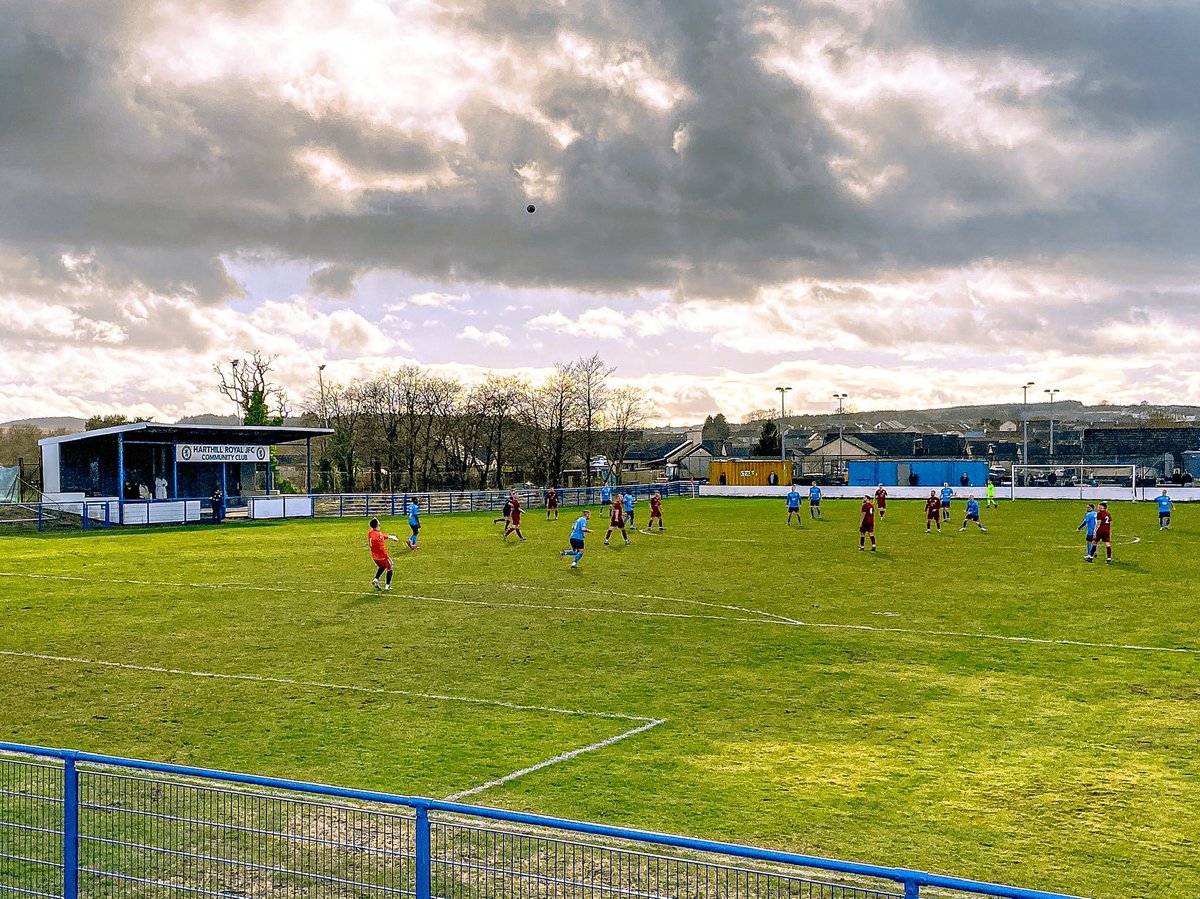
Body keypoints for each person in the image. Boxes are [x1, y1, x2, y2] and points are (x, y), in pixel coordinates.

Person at [367, 517, 400, 590]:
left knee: (382, 566)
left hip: (374, 556)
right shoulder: (379, 535)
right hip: (382, 557)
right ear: (377, 525)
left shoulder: (371, 532)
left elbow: (381, 536)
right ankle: (387, 586)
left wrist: (390, 536)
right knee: (390, 567)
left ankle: (376, 579)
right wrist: (387, 557)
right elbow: (382, 548)